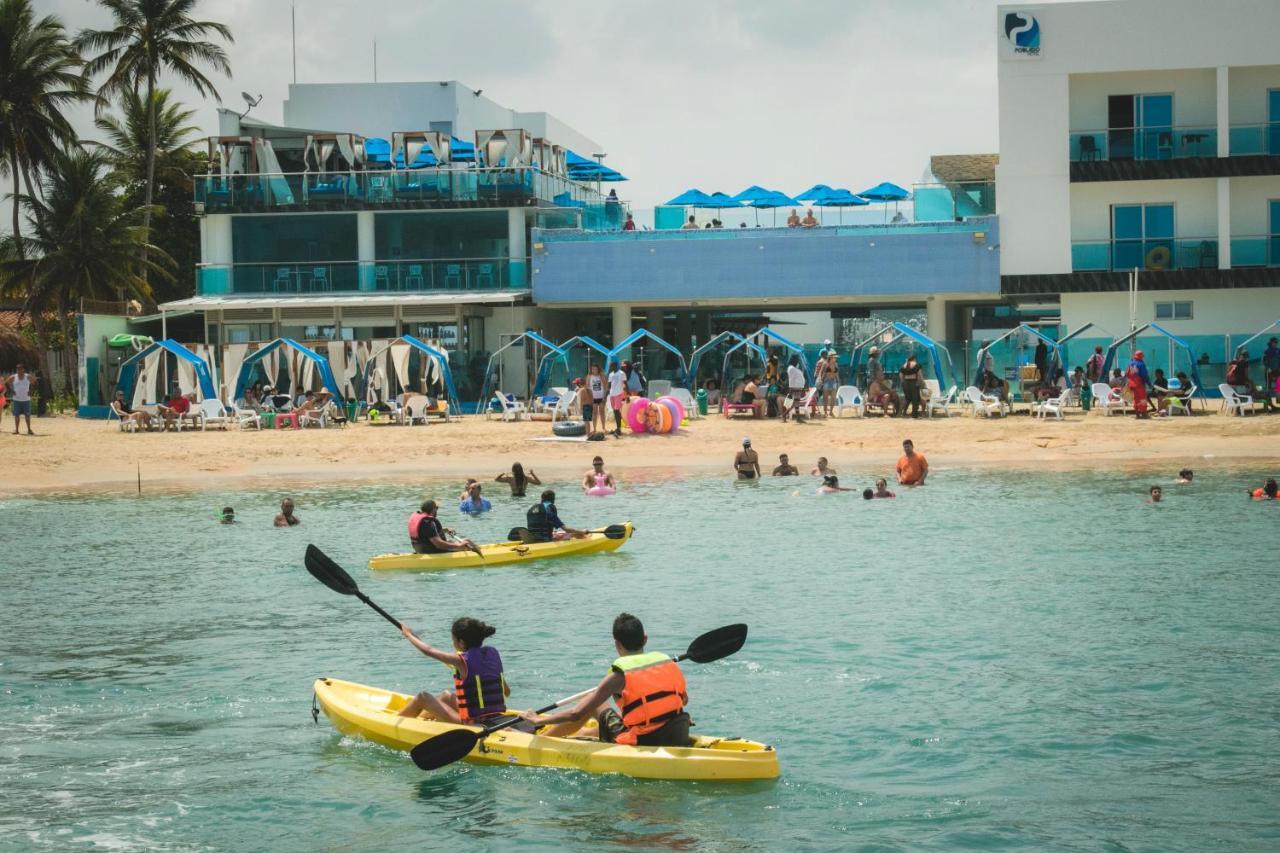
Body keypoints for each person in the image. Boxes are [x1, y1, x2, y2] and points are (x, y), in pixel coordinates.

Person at [519, 613, 690, 747]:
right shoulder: (667, 662)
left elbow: (575, 714)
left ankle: (541, 741)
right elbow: (684, 700)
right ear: (645, 639)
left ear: (617, 644)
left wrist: (538, 719)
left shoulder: (617, 677)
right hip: (677, 733)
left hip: (645, 740)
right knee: (620, 715)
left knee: (593, 702)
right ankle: (587, 733)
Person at [397, 617, 509, 725]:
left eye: (453, 639)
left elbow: (428, 651)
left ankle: (394, 722)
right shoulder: (492, 655)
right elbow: (506, 692)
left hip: (474, 724)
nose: (453, 643)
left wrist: (408, 635)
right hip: (496, 717)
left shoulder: (460, 660)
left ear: (461, 642)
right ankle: (423, 719)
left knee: (423, 697)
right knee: (446, 696)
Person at [408, 500, 476, 553]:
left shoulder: (422, 519)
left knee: (459, 541)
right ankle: (481, 556)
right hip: (430, 550)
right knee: (467, 542)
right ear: (433, 509)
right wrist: (458, 545)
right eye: (436, 508)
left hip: (419, 548)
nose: (437, 510)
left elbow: (426, 533)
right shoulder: (428, 523)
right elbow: (439, 544)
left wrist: (445, 530)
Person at [4, 363, 34, 435]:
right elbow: (6, 383)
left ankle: (29, 430)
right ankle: (17, 430)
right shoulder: (13, 377)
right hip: (17, 400)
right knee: (16, 415)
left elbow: (34, 382)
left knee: (27, 416)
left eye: (20, 369)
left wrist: (31, 391)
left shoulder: (28, 377)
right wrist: (11, 391)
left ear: (23, 369)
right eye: (18, 369)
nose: (19, 371)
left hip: (26, 399)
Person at [1127, 350, 1151, 418]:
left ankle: (1137, 414)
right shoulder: (1141, 364)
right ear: (1141, 356)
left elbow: (1127, 374)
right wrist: (1149, 383)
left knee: (1136, 398)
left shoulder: (1130, 363)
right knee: (1142, 398)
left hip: (1131, 384)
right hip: (1139, 384)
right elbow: (1144, 375)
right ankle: (1144, 414)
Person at [782, 358, 806, 423]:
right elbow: (791, 379)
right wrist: (790, 388)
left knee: (796, 402)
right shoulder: (792, 368)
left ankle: (797, 418)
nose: (798, 363)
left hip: (797, 386)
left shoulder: (793, 368)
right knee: (796, 402)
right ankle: (784, 415)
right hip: (796, 387)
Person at [606, 361, 627, 436]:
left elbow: (625, 383)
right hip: (612, 395)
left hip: (618, 394)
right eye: (611, 366)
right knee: (615, 412)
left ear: (616, 366)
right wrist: (606, 396)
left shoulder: (621, 373)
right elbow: (609, 386)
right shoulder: (610, 375)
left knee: (617, 411)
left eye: (613, 366)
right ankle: (618, 428)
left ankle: (619, 428)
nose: (611, 368)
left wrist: (627, 395)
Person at [587, 364, 608, 435]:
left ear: (598, 369)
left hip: (601, 397)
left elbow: (605, 387)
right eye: (592, 369)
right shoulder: (589, 376)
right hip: (593, 397)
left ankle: (604, 427)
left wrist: (604, 397)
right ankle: (594, 429)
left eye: (595, 369)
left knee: (602, 412)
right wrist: (590, 398)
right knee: (594, 413)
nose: (594, 370)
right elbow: (587, 387)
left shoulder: (601, 375)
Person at [818, 350, 839, 417]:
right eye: (834, 357)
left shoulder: (836, 364)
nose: (835, 358)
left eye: (835, 357)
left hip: (834, 381)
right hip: (826, 381)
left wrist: (838, 382)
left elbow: (837, 374)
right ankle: (825, 412)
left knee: (833, 398)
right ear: (830, 357)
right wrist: (821, 380)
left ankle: (831, 411)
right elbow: (820, 373)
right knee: (825, 398)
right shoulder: (825, 364)